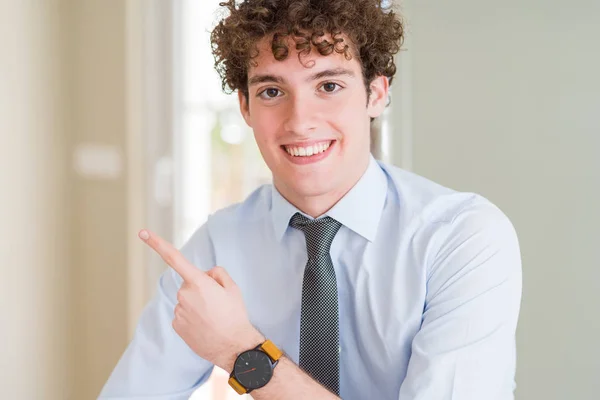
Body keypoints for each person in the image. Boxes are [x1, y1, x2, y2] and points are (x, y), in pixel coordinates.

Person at [99, 0, 522, 399]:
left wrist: (242, 351)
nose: (300, 122)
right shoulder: (216, 248)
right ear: (245, 106)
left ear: (376, 94)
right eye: (271, 92)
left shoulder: (461, 239)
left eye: (329, 85)